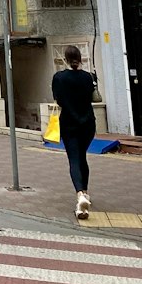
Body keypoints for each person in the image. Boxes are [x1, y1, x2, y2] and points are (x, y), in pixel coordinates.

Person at [51, 44, 97, 220]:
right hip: (88, 123)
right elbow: (92, 96)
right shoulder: (88, 77)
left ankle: (80, 195)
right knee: (82, 156)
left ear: (66, 58)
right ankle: (85, 192)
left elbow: (58, 99)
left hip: (69, 123)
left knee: (74, 159)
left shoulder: (59, 77)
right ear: (79, 58)